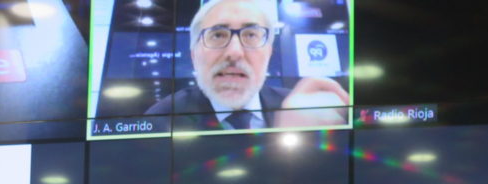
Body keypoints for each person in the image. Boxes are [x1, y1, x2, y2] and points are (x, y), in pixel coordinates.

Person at [145, 0, 350, 132]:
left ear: (269, 52)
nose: (235, 52)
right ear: (194, 55)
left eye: (251, 35)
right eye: (218, 35)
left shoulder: (298, 109)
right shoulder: (159, 121)